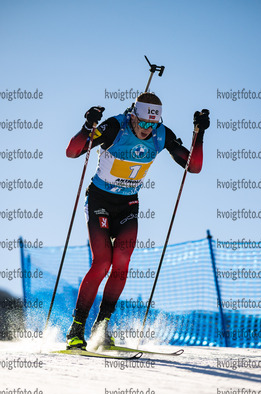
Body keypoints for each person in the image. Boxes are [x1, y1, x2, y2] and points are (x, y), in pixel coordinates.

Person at [65, 92, 210, 350]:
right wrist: (89, 126)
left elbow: (193, 166)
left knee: (121, 263)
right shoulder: (114, 127)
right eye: (142, 123)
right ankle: (76, 329)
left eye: (152, 125)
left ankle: (102, 328)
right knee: (101, 263)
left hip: (128, 203)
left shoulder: (160, 134)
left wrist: (199, 134)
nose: (146, 130)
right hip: (100, 200)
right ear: (133, 116)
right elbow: (72, 152)